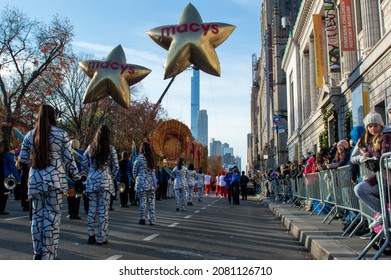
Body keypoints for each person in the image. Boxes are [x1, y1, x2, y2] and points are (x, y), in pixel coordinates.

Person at [19, 104, 81, 260]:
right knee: (51, 218)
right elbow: (68, 159)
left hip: (35, 181)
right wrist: (77, 177)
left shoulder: (29, 135)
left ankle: (37, 253)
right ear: (53, 116)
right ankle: (49, 255)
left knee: (37, 217)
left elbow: (24, 159)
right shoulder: (61, 134)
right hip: (55, 180)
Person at [82, 124, 119, 245]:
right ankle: (101, 237)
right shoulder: (111, 149)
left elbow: (83, 164)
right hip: (105, 181)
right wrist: (110, 177)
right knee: (103, 211)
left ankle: (90, 235)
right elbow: (116, 167)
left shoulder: (90, 148)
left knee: (91, 210)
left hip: (92, 181)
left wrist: (91, 174)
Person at [354, 111, 391, 230]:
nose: (373, 128)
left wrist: (376, 161)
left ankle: (384, 215)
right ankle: (383, 213)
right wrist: (364, 158)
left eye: (375, 125)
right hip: (381, 176)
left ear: (381, 125)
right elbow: (365, 156)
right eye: (370, 126)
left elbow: (385, 155)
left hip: (387, 176)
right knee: (359, 189)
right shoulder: (370, 141)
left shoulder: (386, 136)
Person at [133, 142, 157, 225]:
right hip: (151, 182)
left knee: (142, 200)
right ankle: (152, 220)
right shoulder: (151, 158)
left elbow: (135, 169)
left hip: (142, 182)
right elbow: (153, 171)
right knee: (151, 202)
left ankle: (142, 219)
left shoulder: (139, 158)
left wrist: (135, 177)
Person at [0, 139, 20, 215]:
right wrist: (17, 178)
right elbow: (12, 167)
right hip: (4, 176)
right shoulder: (8, 154)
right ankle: (2, 209)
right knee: (5, 193)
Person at [66, 139, 84, 220]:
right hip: (79, 177)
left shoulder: (68, 152)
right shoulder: (81, 153)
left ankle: (70, 213)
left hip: (70, 176)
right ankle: (76, 213)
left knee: (70, 196)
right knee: (78, 195)